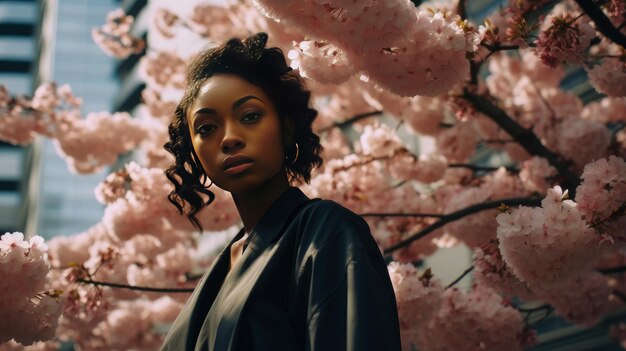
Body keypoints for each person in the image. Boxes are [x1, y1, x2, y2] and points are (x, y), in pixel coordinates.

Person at [161, 32, 402, 351]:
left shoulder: (326, 233)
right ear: (193, 149)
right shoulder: (219, 271)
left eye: (250, 116)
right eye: (206, 128)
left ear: (287, 129)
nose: (229, 138)